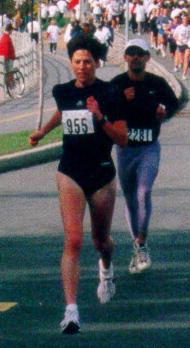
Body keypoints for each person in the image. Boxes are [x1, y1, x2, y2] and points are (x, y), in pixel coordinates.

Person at [29, 36, 127, 334]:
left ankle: (106, 269)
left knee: (101, 241)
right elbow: (64, 112)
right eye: (77, 61)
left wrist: (100, 117)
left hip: (101, 173)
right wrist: (42, 132)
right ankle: (71, 311)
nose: (82, 67)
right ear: (70, 63)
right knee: (73, 240)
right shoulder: (62, 90)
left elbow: (121, 138)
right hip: (70, 170)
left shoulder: (110, 92)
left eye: (87, 61)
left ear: (96, 63)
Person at [111, 38, 179, 274]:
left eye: (140, 53)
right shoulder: (117, 84)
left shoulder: (157, 83)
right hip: (125, 149)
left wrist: (164, 111)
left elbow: (173, 103)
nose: (136, 57)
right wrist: (122, 99)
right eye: (131, 53)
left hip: (149, 147)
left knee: (144, 191)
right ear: (126, 58)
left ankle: (141, 242)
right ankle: (137, 246)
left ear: (148, 58)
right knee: (130, 198)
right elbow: (106, 112)